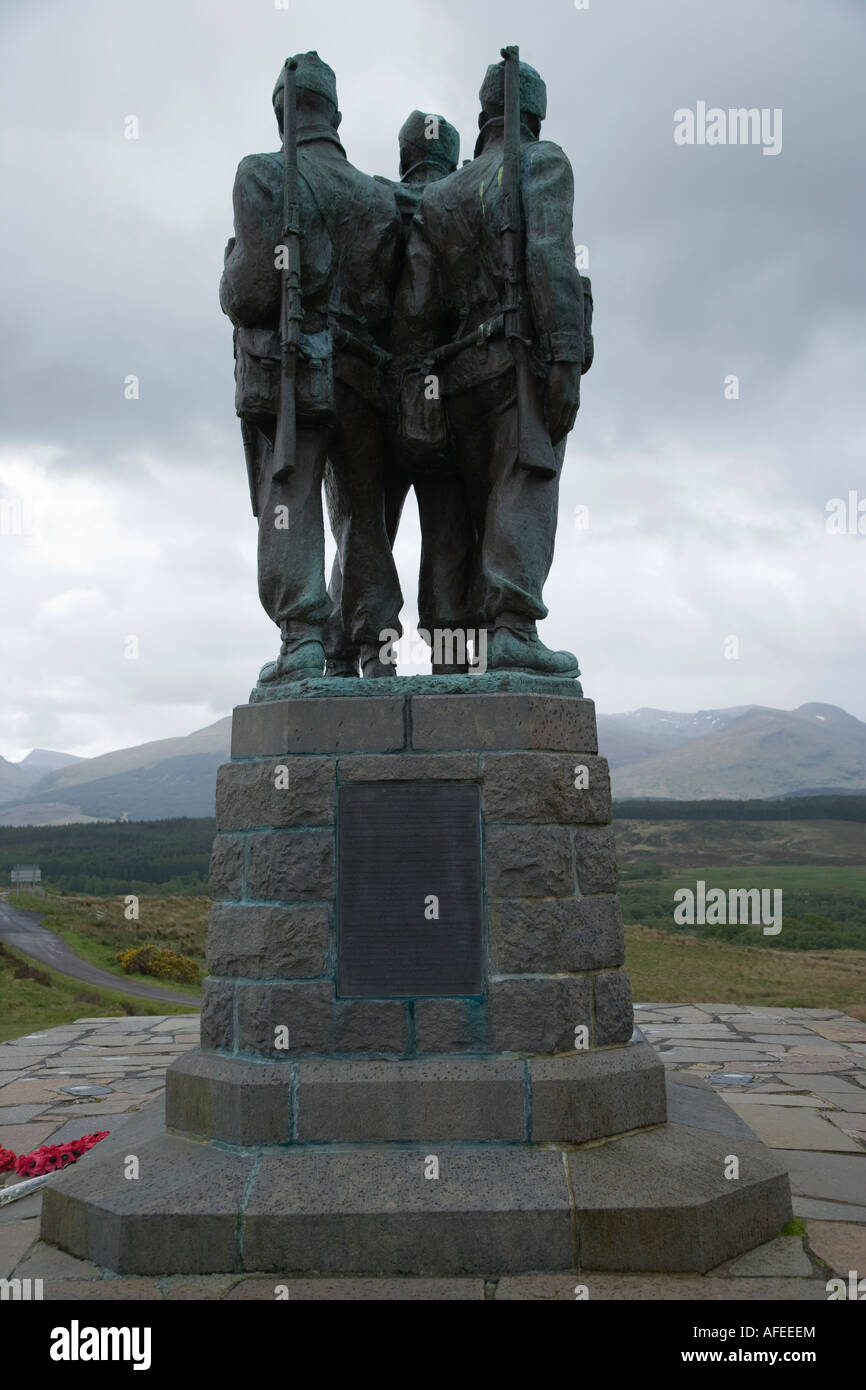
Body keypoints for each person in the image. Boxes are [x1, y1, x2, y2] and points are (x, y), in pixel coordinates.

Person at [394, 57, 594, 675]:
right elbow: (550, 259)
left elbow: (416, 307)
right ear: (534, 111)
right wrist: (564, 353)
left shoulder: (441, 194)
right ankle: (510, 628)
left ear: (483, 113)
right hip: (515, 364)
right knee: (523, 480)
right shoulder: (543, 162)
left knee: (453, 509)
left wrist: (422, 382)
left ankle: (453, 648)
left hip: (454, 379)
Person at [220, 52, 403, 683]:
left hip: (294, 371)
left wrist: (227, 273)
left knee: (289, 499)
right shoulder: (378, 197)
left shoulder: (263, 175)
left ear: (281, 114)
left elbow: (248, 292)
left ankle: (302, 638)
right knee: (364, 516)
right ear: (336, 115)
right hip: (365, 376)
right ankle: (377, 649)